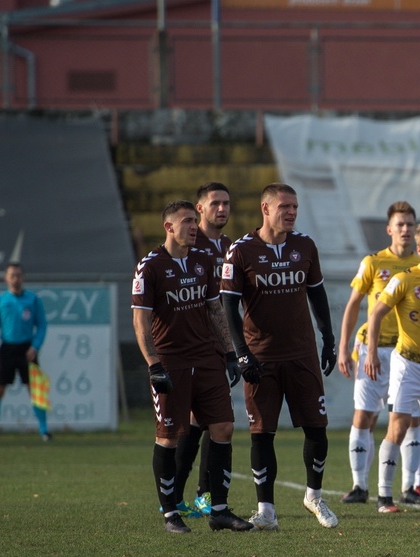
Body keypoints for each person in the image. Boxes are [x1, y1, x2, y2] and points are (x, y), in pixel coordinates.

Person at [221, 182, 339, 531]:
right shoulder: (241, 251)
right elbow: (228, 307)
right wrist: (241, 354)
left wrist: (328, 340)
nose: (291, 212)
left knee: (317, 427)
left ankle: (314, 496)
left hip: (301, 354)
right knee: (262, 433)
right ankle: (266, 510)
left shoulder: (304, 246)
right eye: (285, 206)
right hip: (261, 357)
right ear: (266, 208)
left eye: (295, 208)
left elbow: (317, 295)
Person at [131, 200, 252, 534]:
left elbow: (215, 309)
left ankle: (219, 511)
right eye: (186, 222)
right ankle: (171, 514)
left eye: (193, 222)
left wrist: (229, 352)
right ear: (169, 227)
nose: (193, 227)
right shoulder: (150, 266)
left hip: (207, 358)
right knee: (169, 436)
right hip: (171, 361)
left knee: (223, 427)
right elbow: (140, 322)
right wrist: (154, 364)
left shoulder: (202, 261)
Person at [363, 221, 420, 513]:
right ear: (419, 249)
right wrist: (371, 353)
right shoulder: (404, 278)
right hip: (409, 365)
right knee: (398, 427)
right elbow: (376, 314)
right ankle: (384, 496)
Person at [337, 202, 420, 504]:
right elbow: (353, 304)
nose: (406, 229)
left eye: (410, 224)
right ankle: (360, 486)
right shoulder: (373, 263)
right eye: (400, 224)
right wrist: (344, 348)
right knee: (364, 416)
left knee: (412, 420)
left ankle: (412, 487)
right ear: (389, 229)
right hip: (371, 350)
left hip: (406, 353)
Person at [173, 182, 235, 519]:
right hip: (191, 346)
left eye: (226, 203)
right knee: (191, 424)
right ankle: (178, 498)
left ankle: (202, 497)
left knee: (216, 422)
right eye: (215, 204)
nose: (222, 209)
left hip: (220, 347)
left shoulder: (232, 247)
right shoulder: (189, 249)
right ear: (200, 209)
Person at [0, 262, 49, 441]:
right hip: (6, 349)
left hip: (27, 349)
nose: (15, 279)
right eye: (12, 275)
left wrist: (35, 346)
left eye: (18, 275)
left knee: (35, 391)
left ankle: (44, 431)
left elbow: (42, 325)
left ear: (23, 277)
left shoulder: (33, 300)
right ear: (6, 278)